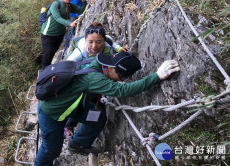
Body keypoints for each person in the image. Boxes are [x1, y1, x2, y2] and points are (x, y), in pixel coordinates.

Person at [34, 52, 180, 165]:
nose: (121, 80)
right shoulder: (96, 78)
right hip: (52, 114)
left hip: (72, 105)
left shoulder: (96, 62)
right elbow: (124, 91)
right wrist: (157, 76)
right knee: (51, 149)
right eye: (121, 76)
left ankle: (77, 144)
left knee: (98, 118)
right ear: (113, 68)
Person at [40, 0, 87, 68]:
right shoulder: (56, 4)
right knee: (48, 54)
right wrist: (70, 23)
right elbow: (57, 17)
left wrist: (83, 2)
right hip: (48, 34)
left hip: (60, 34)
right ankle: (44, 72)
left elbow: (82, 10)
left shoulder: (70, 6)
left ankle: (50, 70)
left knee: (53, 52)